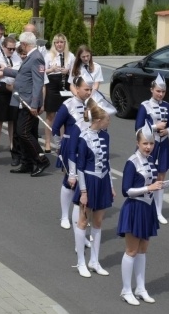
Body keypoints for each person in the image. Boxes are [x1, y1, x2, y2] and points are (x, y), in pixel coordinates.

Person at [118, 122, 169, 305]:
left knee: (143, 250)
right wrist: (148, 188)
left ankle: (140, 289)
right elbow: (126, 191)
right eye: (145, 143)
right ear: (137, 143)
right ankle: (126, 290)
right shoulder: (132, 162)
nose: (148, 147)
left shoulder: (150, 160)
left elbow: (157, 186)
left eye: (151, 143)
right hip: (134, 209)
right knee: (131, 250)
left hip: (148, 208)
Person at [72, 100, 115, 278]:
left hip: (103, 181)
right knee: (83, 222)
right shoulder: (83, 138)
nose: (109, 122)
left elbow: (107, 162)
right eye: (107, 119)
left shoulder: (106, 136)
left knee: (98, 222)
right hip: (89, 182)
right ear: (98, 120)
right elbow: (80, 167)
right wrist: (83, 192)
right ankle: (81, 262)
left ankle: (94, 261)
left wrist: (111, 185)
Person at [3, 31, 50, 176]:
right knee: (21, 132)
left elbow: (38, 83)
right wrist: (5, 70)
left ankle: (41, 159)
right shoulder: (31, 57)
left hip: (29, 102)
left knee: (23, 132)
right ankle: (27, 163)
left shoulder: (36, 58)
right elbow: (23, 74)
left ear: (24, 44)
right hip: (22, 100)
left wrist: (35, 104)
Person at [52, 74, 93, 229]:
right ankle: (64, 216)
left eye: (90, 89)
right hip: (70, 146)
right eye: (86, 89)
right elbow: (55, 128)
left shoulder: (91, 104)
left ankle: (81, 214)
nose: (89, 92)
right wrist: (59, 145)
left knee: (84, 180)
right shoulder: (67, 105)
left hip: (86, 146)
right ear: (77, 88)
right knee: (70, 180)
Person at [134, 73, 169, 225]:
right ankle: (144, 207)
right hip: (149, 145)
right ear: (151, 90)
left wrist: (167, 131)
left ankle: (158, 211)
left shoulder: (167, 105)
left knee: (161, 178)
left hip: (163, 144)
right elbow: (138, 129)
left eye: (163, 91)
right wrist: (155, 127)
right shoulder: (145, 106)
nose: (160, 94)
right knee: (146, 175)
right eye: (158, 91)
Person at [44, 34, 74, 153]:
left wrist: (68, 71)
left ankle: (61, 142)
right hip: (52, 85)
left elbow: (76, 72)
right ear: (54, 44)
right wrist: (51, 69)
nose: (59, 44)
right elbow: (42, 71)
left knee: (63, 115)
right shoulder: (48, 55)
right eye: (57, 42)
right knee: (50, 115)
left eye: (61, 42)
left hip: (65, 85)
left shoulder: (70, 56)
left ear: (65, 43)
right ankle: (47, 142)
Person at [0, 35, 19, 161]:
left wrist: (7, 70)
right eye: (9, 49)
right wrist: (7, 71)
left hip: (13, 88)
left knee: (12, 119)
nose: (12, 51)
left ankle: (12, 144)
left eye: (14, 49)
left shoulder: (17, 58)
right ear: (3, 47)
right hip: (1, 88)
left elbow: (19, 72)